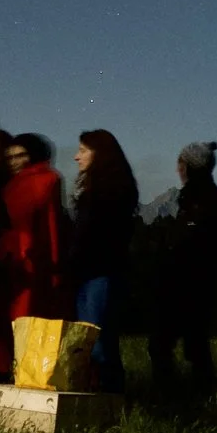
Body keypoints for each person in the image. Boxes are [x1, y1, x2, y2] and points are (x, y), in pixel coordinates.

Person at [149, 141, 217, 392]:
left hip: (187, 284)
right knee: (194, 344)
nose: (177, 169)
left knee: (167, 343)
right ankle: (198, 394)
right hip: (197, 283)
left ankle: (173, 396)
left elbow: (191, 242)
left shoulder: (201, 199)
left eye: (180, 163)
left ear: (189, 167)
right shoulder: (206, 197)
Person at [67, 129, 140, 393]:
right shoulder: (101, 190)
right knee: (94, 340)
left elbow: (95, 237)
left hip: (100, 273)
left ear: (100, 154)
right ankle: (102, 397)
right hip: (92, 273)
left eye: (83, 151)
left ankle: (110, 399)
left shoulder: (109, 193)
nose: (76, 157)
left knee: (98, 342)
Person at [0, 135, 71, 349]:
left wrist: (54, 268)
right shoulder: (9, 185)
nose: (14, 161)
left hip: (33, 263)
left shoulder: (46, 179)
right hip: (9, 263)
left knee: (28, 322)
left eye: (20, 155)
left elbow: (51, 225)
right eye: (10, 157)